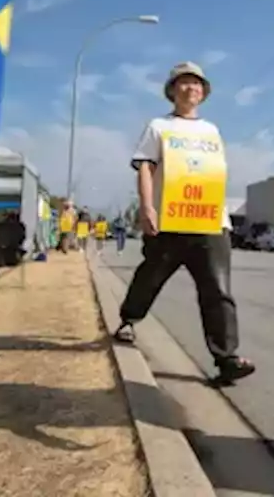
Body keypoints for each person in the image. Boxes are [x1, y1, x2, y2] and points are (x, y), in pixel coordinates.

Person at [111, 62, 255, 384]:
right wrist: (147, 207)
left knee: (218, 291)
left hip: (210, 223)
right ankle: (128, 321)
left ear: (204, 92)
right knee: (151, 275)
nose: (191, 88)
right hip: (170, 221)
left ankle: (226, 358)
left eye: (197, 84)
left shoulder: (212, 131)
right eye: (184, 83)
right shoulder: (158, 127)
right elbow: (146, 167)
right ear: (172, 90)